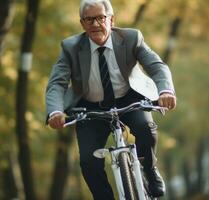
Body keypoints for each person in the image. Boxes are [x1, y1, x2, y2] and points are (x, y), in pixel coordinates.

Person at [45, 0, 176, 199]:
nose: (95, 24)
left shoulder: (132, 37)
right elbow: (57, 83)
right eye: (89, 20)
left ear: (111, 19)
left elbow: (157, 66)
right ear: (82, 23)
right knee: (89, 162)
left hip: (129, 99)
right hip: (90, 108)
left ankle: (149, 170)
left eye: (100, 18)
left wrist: (165, 90)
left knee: (146, 130)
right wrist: (55, 111)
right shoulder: (70, 47)